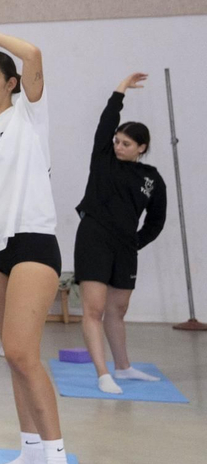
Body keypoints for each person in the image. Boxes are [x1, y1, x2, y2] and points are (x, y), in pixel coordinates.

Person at [0, 28, 70, 464]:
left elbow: (34, 54)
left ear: (11, 83)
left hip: (32, 241)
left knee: (23, 352)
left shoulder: (29, 115)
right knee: (12, 356)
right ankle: (29, 453)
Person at [75, 72, 167, 393]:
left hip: (125, 246)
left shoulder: (151, 178)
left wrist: (135, 242)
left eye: (126, 144)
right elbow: (107, 121)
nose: (118, 146)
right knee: (94, 309)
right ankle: (103, 373)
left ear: (142, 147)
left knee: (118, 309)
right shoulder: (103, 160)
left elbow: (156, 220)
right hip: (94, 238)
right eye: (117, 141)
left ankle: (123, 367)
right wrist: (121, 89)